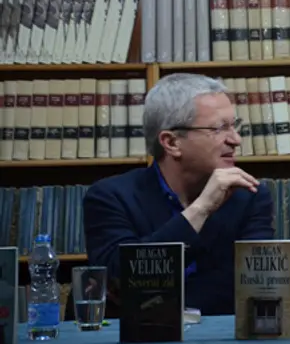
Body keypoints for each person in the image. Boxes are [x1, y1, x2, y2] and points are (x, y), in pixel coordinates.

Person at [82, 73, 274, 315]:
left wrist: (145, 292)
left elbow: (257, 287)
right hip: (138, 338)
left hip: (220, 336)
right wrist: (200, 209)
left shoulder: (250, 196)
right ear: (172, 143)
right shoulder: (109, 197)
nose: (236, 140)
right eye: (219, 128)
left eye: (234, 126)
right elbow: (119, 274)